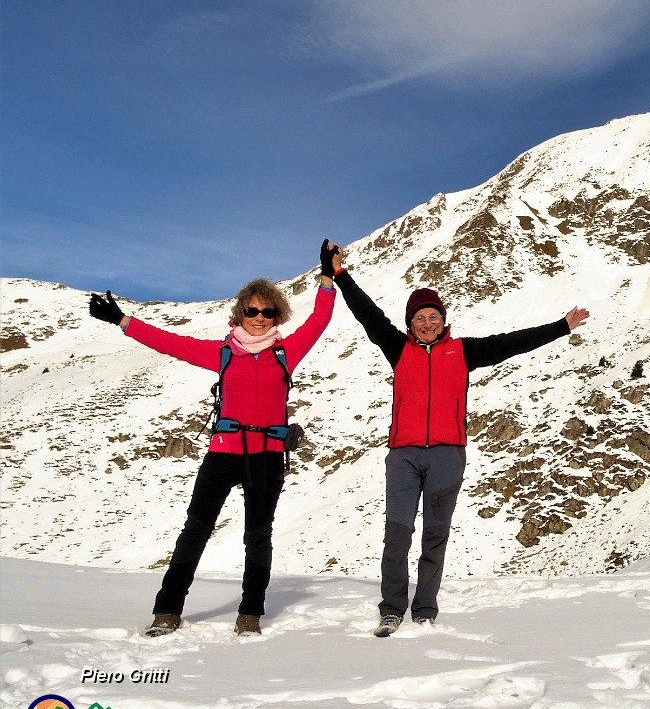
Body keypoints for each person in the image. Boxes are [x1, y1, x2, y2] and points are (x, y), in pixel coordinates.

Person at [327, 245, 589, 636]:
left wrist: (561, 327)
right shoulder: (397, 348)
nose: (427, 323)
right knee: (397, 534)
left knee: (435, 534)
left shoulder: (462, 351)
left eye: (434, 316)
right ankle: (392, 607)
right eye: (420, 317)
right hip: (403, 455)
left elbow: (511, 342)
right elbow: (369, 314)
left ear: (443, 320)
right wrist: (340, 274)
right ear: (410, 323)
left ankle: (425, 608)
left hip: (448, 456)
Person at [87, 241, 340, 638]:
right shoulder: (221, 353)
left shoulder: (285, 353)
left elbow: (319, 320)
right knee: (195, 531)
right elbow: (169, 343)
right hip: (222, 454)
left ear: (277, 315)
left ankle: (250, 614)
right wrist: (122, 320)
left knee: (258, 536)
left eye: (267, 311)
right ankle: (167, 611)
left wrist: (327, 274)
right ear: (240, 313)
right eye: (252, 310)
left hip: (267, 455)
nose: (259, 317)